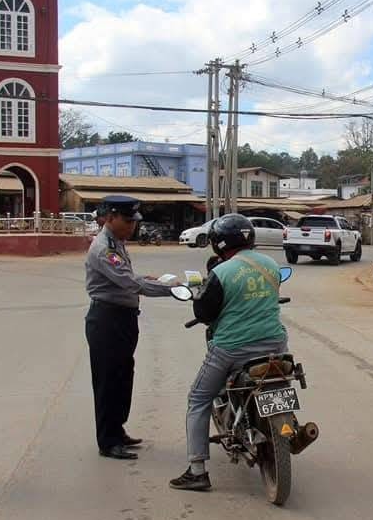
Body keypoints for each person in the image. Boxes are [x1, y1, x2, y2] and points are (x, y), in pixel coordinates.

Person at [169, 214, 289, 491]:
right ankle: (285, 429)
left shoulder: (221, 273)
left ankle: (197, 470)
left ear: (218, 244)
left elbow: (205, 312)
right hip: (275, 345)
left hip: (232, 349)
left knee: (198, 398)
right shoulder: (271, 264)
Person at [84, 195, 175, 460]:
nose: (132, 227)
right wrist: (173, 290)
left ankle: (117, 429)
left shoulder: (116, 242)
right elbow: (130, 284)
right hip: (107, 320)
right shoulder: (104, 248)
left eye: (134, 222)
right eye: (127, 221)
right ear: (109, 218)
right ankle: (108, 440)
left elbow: (128, 277)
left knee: (123, 376)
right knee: (107, 381)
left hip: (122, 318)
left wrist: (147, 278)